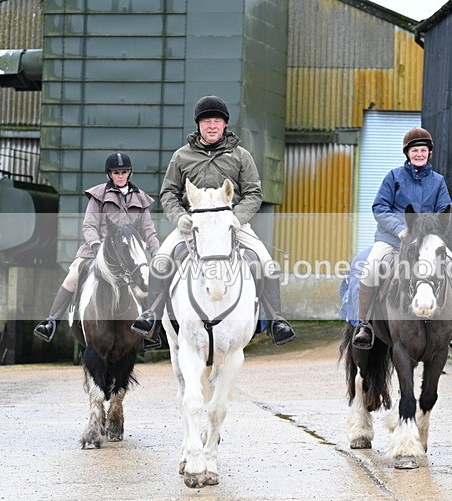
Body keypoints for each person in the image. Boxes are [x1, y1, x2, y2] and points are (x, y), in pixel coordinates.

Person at [130, 95, 296, 346]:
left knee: (265, 261)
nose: (211, 126)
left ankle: (276, 320)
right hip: (192, 225)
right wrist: (180, 218)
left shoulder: (241, 156)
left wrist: (237, 219)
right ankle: (152, 316)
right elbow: (168, 193)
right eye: (206, 121)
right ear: (198, 125)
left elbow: (253, 193)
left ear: (225, 124)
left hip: (231, 224)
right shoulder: (181, 156)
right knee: (162, 260)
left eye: (216, 121)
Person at [352, 127, 452, 350]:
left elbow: (445, 210)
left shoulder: (438, 181)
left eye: (423, 150)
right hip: (393, 239)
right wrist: (400, 229)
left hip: (426, 242)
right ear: (407, 153)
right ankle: (364, 325)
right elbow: (379, 207)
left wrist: (428, 230)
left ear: (429, 153)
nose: (419, 154)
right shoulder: (394, 177)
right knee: (370, 270)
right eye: (415, 150)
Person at [33, 152, 160, 345]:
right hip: (98, 250)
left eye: (124, 172)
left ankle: (148, 330)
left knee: (146, 282)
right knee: (73, 276)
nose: (120, 176)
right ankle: (51, 321)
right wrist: (96, 246)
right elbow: (89, 226)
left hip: (129, 255)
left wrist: (156, 252)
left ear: (129, 173)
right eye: (116, 172)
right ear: (109, 174)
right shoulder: (98, 195)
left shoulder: (141, 198)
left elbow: (148, 230)